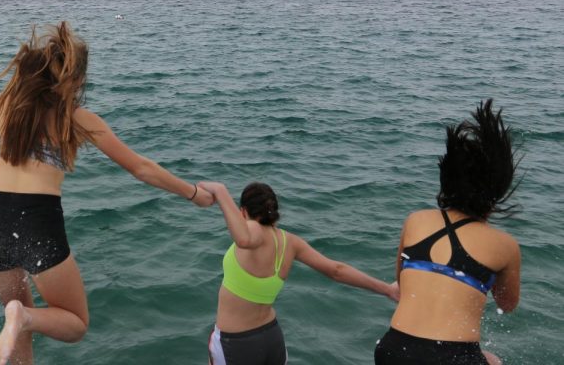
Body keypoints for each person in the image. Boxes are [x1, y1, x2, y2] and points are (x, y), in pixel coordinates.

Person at [0, 22, 214, 365]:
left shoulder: (5, 104)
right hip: (37, 222)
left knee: (16, 331)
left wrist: (8, 117)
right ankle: (23, 316)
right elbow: (140, 167)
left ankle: (20, 317)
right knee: (73, 323)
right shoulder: (78, 119)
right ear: (74, 80)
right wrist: (193, 192)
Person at [374, 100, 521, 365]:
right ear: (498, 191)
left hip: (393, 349)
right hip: (452, 358)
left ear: (446, 179)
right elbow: (507, 304)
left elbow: (403, 282)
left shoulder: (416, 220)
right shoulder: (505, 245)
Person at [198, 180, 399, 365]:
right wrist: (387, 290)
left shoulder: (252, 229)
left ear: (243, 212)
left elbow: (243, 238)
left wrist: (220, 191)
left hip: (237, 342)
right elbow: (336, 270)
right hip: (271, 338)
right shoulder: (291, 242)